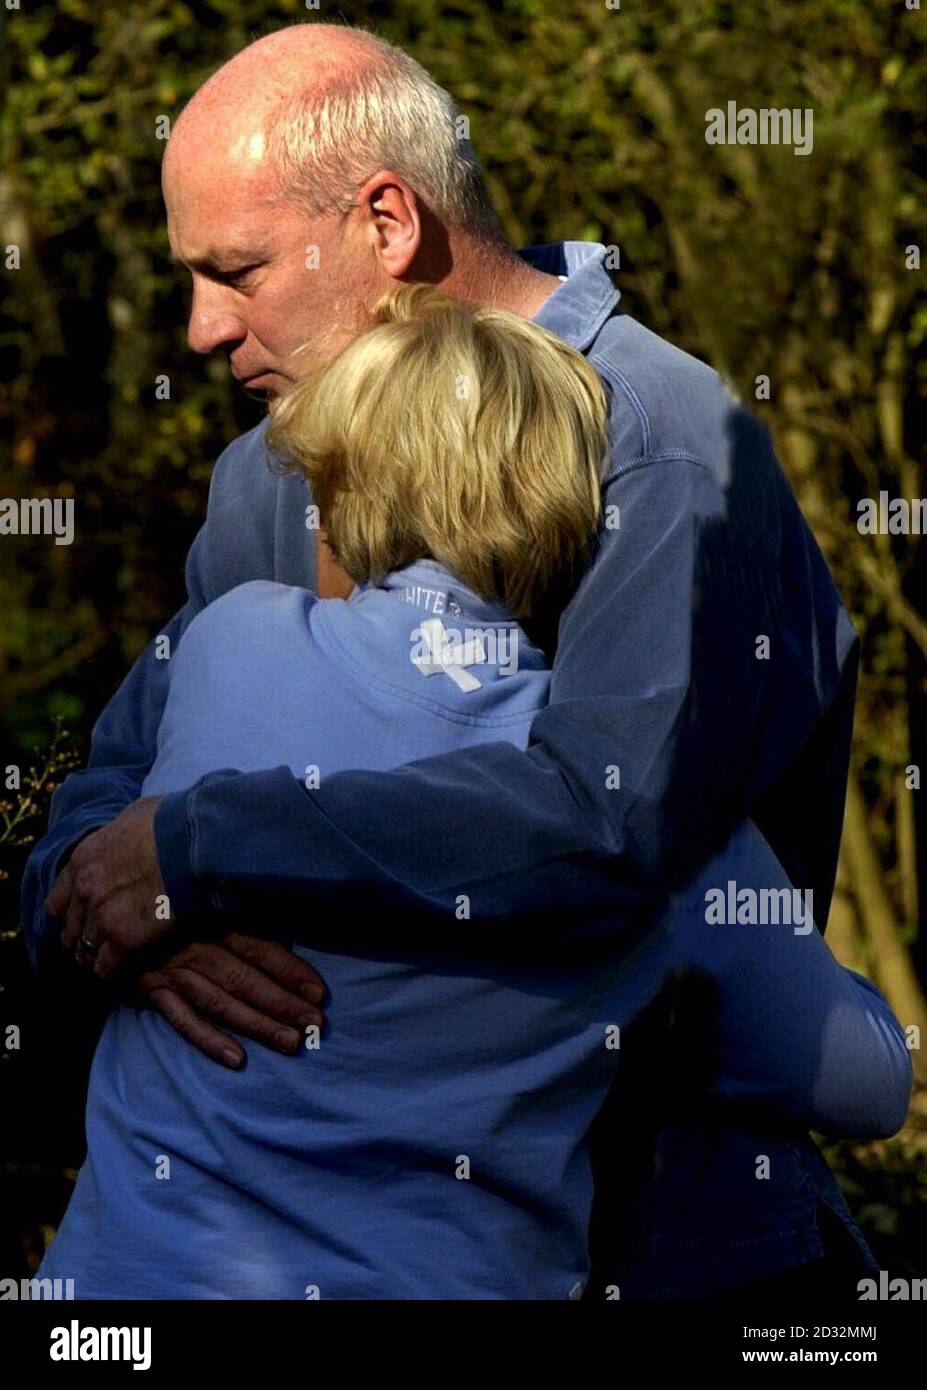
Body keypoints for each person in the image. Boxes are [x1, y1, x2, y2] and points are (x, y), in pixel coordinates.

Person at [21, 23, 911, 1298]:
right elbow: (105, 804)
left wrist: (198, 851)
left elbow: (617, 841)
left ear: (387, 221)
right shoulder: (259, 477)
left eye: (239, 270)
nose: (204, 329)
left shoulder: (662, 449)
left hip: (657, 1240)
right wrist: (124, 922)